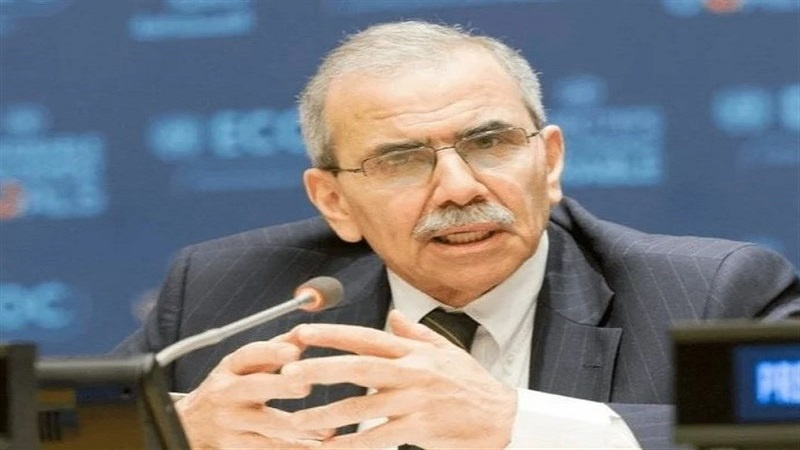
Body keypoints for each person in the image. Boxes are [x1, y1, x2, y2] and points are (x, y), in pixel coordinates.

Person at [115, 21, 800, 449]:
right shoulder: (226, 293)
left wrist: (515, 425)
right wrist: (164, 434)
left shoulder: (711, 293)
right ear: (334, 201)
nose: (459, 188)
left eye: (490, 142)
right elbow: (62, 422)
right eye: (401, 160)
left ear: (549, 162)